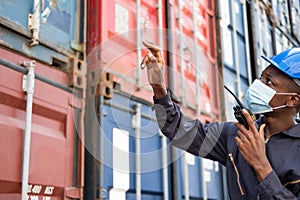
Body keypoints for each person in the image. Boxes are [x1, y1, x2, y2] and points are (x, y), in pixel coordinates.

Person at [141, 41, 300, 200]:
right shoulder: (236, 134)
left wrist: (262, 166)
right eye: (261, 77)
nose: (258, 84)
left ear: (292, 100)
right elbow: (179, 130)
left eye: (269, 82)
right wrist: (159, 89)